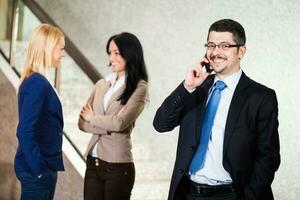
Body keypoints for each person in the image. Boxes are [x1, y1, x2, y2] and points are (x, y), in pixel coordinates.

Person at [153, 19, 280, 200]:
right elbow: (161, 124)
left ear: (241, 51)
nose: (215, 52)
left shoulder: (261, 97)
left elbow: (268, 156)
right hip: (188, 193)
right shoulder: (196, 88)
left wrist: (250, 195)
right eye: (211, 45)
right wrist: (187, 87)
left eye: (224, 46)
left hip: (231, 194)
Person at [78, 32, 148, 200]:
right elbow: (82, 123)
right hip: (93, 163)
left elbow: (119, 124)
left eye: (117, 52)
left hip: (118, 167)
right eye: (110, 52)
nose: (112, 57)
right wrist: (107, 122)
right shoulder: (101, 84)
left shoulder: (139, 87)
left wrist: (93, 118)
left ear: (130, 53)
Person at [14, 24, 65, 200]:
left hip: (41, 168)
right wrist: (39, 170)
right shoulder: (37, 82)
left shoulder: (37, 80)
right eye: (60, 49)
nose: (63, 54)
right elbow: (24, 131)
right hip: (37, 171)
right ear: (47, 49)